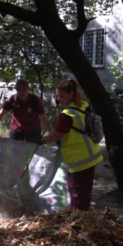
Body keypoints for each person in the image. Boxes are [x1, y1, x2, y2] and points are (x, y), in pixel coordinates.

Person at [38, 79, 103, 211]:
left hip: (80, 159)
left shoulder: (67, 115)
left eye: (62, 96)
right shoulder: (83, 105)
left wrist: (42, 140)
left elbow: (57, 134)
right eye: (57, 96)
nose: (59, 99)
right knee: (85, 191)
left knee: (77, 192)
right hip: (91, 155)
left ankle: (81, 219)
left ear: (71, 94)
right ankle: (86, 215)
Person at [0, 79, 53, 143]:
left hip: (33, 132)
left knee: (33, 156)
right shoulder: (13, 99)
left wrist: (53, 136)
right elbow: (0, 115)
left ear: (28, 89)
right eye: (18, 90)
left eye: (23, 90)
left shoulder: (35, 100)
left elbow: (44, 120)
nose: (21, 92)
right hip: (17, 132)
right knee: (12, 154)